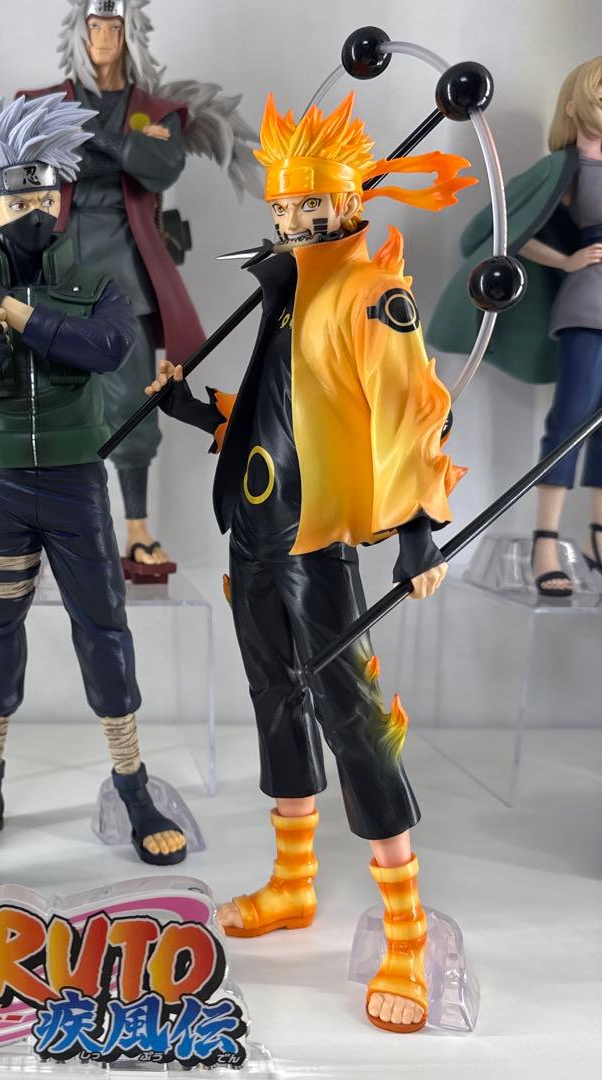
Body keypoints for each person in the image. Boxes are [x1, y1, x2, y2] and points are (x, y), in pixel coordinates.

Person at [147, 93, 473, 1033]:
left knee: (353, 718)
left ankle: (405, 929)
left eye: (309, 206)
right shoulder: (290, 290)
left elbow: (409, 411)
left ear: (349, 201)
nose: (292, 221)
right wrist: (199, 411)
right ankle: (293, 880)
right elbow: (277, 414)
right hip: (254, 536)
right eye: (283, 207)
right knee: (274, 701)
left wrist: (418, 529)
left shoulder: (368, 293)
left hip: (318, 541)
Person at [0, 93, 187, 867]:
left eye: (44, 196)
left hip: (75, 486)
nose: (32, 211)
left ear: (60, 200)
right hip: (1, 490)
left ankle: (133, 784)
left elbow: (107, 349)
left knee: (104, 631)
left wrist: (15, 313)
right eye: (16, 199)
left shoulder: (96, 288)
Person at [18, 0, 260, 576]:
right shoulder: (40, 105)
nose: (104, 37)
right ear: (79, 32)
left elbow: (159, 166)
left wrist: (103, 147)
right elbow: (36, 166)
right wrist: (120, 150)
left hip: (125, 269)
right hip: (57, 266)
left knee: (132, 400)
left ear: (130, 34)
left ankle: (135, 528)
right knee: (43, 396)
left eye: (114, 26)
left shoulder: (157, 112)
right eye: (95, 25)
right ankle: (38, 523)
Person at [429, 56, 602, 598]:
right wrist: (567, 261)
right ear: (576, 103)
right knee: (571, 419)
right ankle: (544, 542)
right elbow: (503, 228)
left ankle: (597, 535)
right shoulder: (565, 169)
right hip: (588, 302)